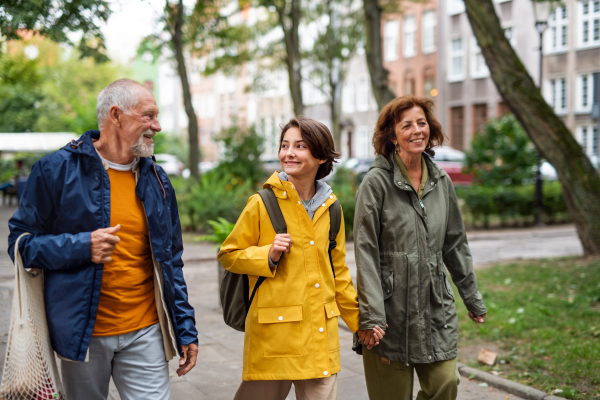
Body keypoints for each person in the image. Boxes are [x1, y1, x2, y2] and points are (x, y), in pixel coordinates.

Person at [7, 78, 199, 400]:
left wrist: (185, 326)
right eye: (148, 116)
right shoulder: (55, 171)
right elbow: (21, 244)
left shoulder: (157, 179)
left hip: (146, 331)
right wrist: (82, 246)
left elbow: (171, 260)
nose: (158, 126)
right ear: (116, 115)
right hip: (82, 333)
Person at [218, 117, 384, 400]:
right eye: (285, 145)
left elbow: (338, 274)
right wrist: (266, 254)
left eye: (300, 146)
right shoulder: (262, 203)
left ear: (320, 156)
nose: (289, 153)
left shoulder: (332, 209)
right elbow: (229, 254)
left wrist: (361, 323)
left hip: (321, 340)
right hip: (275, 340)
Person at [353, 96, 487, 400]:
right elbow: (366, 252)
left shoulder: (441, 181)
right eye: (407, 125)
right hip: (389, 313)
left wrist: (472, 297)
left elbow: (455, 244)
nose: (417, 130)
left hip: (434, 308)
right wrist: (372, 316)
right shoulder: (376, 183)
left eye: (422, 123)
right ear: (391, 135)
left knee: (446, 383)